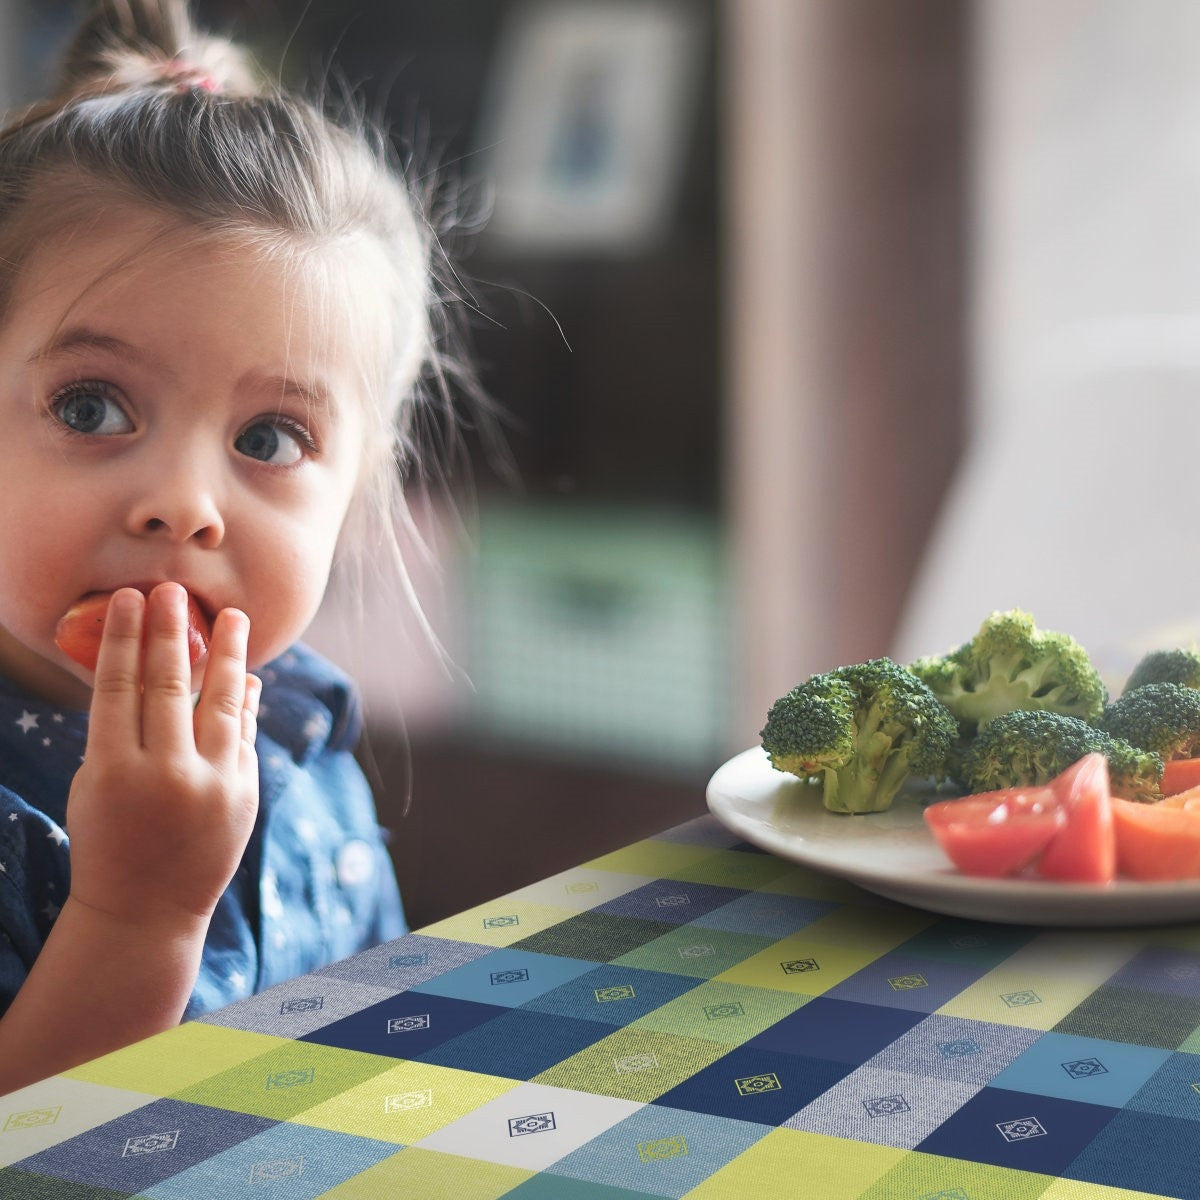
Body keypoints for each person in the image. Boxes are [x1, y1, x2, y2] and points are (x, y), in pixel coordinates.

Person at [0, 0, 449, 1093]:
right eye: (93, 407)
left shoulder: (305, 738)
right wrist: (137, 913)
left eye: (269, 438)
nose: (184, 506)